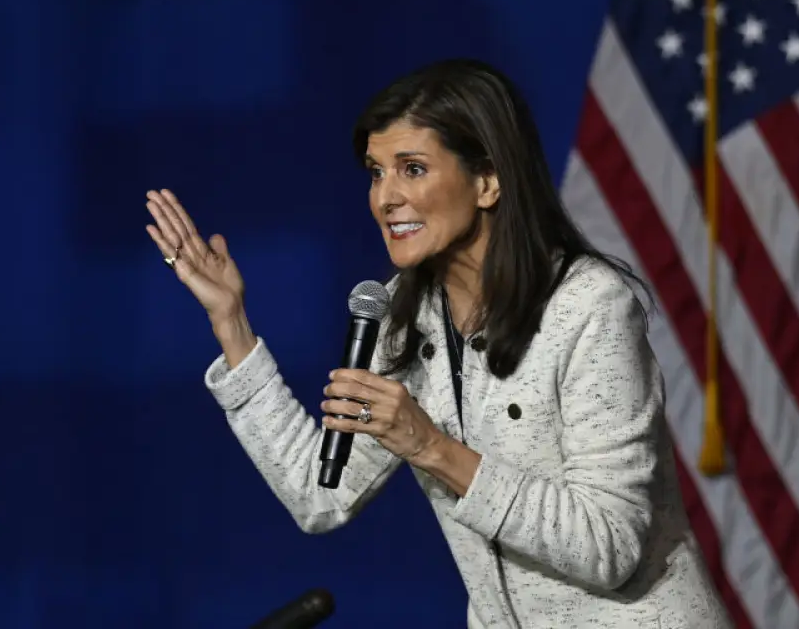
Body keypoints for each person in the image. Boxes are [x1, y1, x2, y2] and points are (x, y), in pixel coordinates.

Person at [143, 59, 731, 628]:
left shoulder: (588, 307)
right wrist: (232, 323)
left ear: (488, 180)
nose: (385, 198)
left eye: (413, 169)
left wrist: (430, 445)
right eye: (376, 172)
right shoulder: (403, 314)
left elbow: (610, 546)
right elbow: (320, 497)